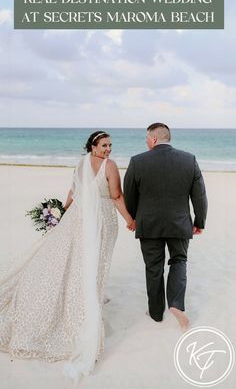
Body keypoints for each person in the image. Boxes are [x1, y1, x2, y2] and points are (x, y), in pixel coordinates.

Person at [0, 131, 135, 381]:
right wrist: (129, 219)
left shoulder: (82, 162)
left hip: (77, 218)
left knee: (77, 260)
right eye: (104, 145)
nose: (109, 149)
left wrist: (64, 212)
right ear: (93, 146)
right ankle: (89, 299)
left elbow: (73, 191)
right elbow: (116, 196)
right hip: (100, 220)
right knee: (94, 260)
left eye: (111, 145)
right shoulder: (110, 166)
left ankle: (87, 294)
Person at [124, 123, 208, 330]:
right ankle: (177, 305)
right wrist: (199, 222)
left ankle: (155, 313)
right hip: (179, 224)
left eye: (146, 138)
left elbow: (130, 195)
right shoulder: (189, 159)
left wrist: (134, 218)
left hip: (149, 224)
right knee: (179, 261)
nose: (146, 142)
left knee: (153, 267)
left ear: (153, 139)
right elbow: (200, 196)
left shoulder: (137, 161)